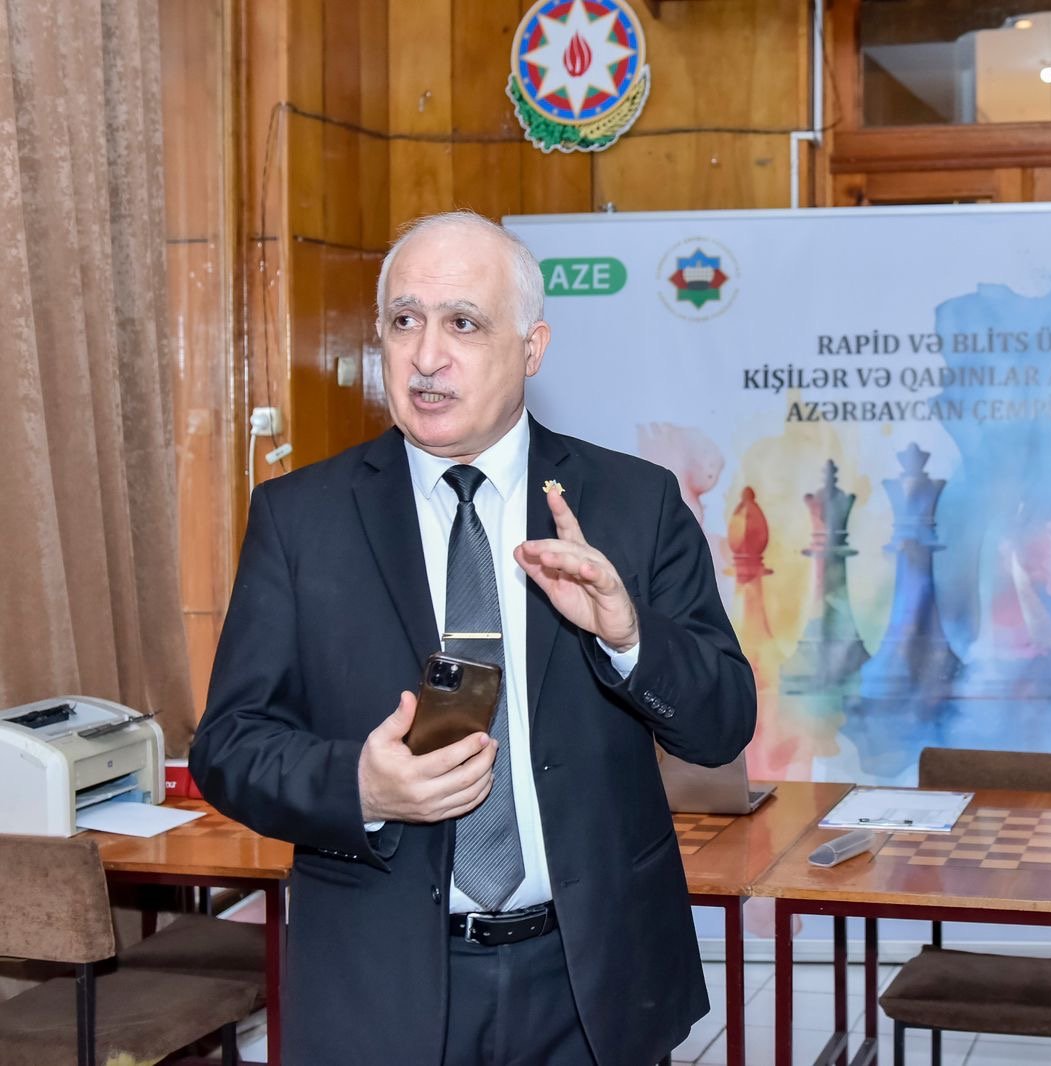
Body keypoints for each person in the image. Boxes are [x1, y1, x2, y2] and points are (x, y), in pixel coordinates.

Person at [190, 210, 757, 1064]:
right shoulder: (300, 519)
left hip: (594, 980)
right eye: (404, 321)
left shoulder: (631, 505)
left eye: (463, 323)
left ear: (531, 348)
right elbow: (229, 745)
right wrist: (360, 786)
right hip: (378, 986)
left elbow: (722, 726)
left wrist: (630, 639)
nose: (426, 356)